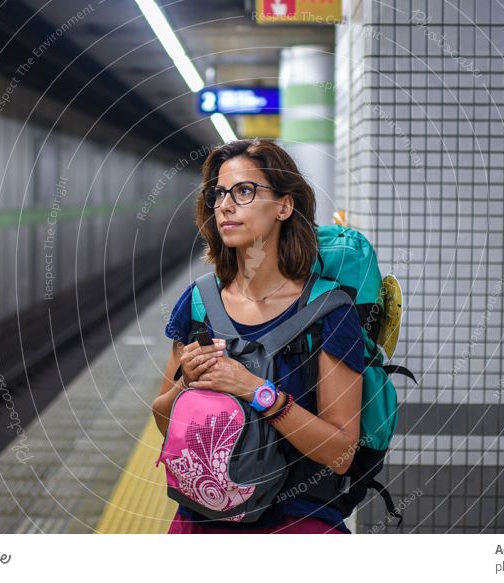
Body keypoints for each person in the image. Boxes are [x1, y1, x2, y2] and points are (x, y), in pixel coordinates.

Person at [152, 139, 364, 534]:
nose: (225, 206)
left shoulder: (329, 312)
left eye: (244, 191)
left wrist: (256, 391)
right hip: (205, 514)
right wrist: (185, 386)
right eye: (218, 193)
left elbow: (340, 454)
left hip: (295, 518)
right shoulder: (200, 301)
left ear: (285, 206)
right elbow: (164, 422)